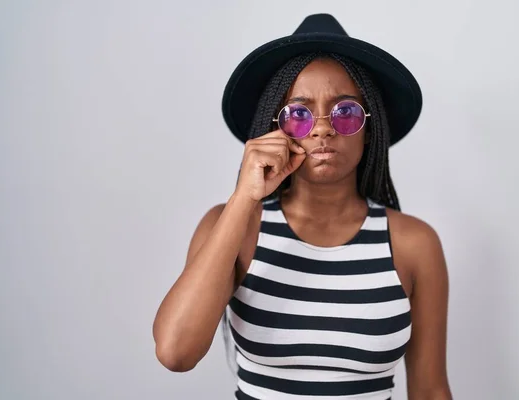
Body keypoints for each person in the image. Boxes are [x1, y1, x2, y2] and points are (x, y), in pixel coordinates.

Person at [153, 13, 453, 400]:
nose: (323, 128)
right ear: (273, 128)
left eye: (346, 112)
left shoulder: (413, 243)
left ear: (369, 129)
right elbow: (176, 351)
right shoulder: (233, 226)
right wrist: (245, 197)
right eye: (299, 113)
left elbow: (430, 389)